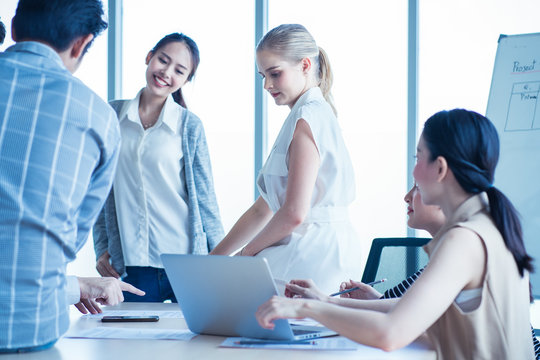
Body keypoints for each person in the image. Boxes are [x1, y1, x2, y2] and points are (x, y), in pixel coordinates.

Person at [256, 109, 535, 359]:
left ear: (440, 168)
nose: (413, 170)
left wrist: (306, 310)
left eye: (418, 158)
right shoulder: (488, 224)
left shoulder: (463, 239)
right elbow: (412, 309)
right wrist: (326, 302)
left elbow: (391, 333)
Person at [0, 0, 144, 353]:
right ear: (81, 44)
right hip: (30, 329)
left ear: (15, 29)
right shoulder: (98, 115)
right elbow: (68, 237)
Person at [210, 24, 362, 294]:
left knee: (234, 301)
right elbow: (263, 208)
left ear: (305, 65)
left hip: (313, 249)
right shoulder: (303, 115)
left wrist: (246, 256)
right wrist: (214, 260)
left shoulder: (308, 118)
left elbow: (293, 213)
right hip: (308, 243)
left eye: (275, 74)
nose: (267, 85)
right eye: (262, 76)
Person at [93, 33, 224, 302]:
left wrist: (220, 260)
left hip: (186, 266)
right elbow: (98, 189)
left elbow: (205, 199)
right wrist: (101, 248)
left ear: (186, 81)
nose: (166, 72)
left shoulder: (189, 125)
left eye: (179, 70)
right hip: (132, 267)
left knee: (196, 342)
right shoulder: (111, 116)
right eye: (163, 60)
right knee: (130, 343)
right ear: (149, 57)